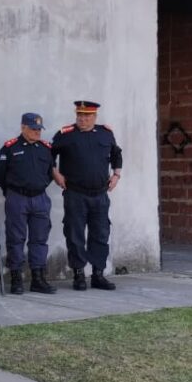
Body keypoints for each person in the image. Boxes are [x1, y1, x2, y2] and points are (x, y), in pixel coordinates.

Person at [51, 100, 123, 291]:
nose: (82, 119)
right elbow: (48, 155)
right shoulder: (65, 134)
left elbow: (117, 154)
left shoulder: (105, 133)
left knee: (100, 234)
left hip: (100, 194)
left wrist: (116, 174)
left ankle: (98, 275)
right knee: (75, 235)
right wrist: (55, 173)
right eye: (79, 115)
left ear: (95, 116)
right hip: (75, 194)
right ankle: (79, 275)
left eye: (87, 116)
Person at [0, 112, 56, 295]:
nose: (37, 132)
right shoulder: (10, 148)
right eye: (33, 129)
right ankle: (16, 279)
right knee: (16, 239)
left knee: (39, 239)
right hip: (17, 198)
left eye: (39, 129)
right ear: (23, 127)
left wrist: (40, 186)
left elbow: (49, 173)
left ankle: (38, 278)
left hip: (40, 198)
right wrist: (11, 192)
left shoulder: (46, 148)